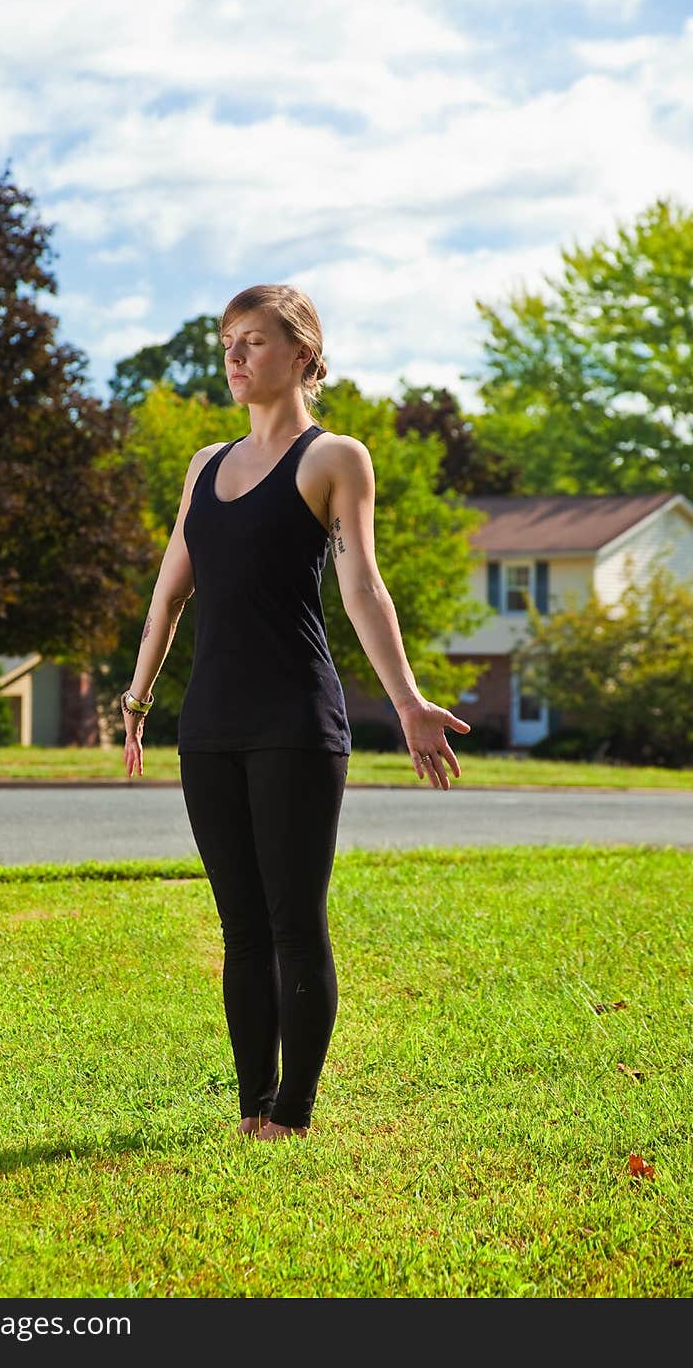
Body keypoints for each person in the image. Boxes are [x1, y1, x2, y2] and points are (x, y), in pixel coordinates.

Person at [120, 283, 471, 1141]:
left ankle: (296, 1112)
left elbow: (361, 585)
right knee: (239, 924)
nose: (236, 359)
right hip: (208, 726)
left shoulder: (333, 458)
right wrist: (138, 699)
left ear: (305, 354)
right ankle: (252, 1107)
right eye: (228, 344)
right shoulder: (204, 466)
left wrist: (408, 700)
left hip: (296, 721)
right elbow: (168, 597)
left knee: (291, 922)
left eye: (254, 342)